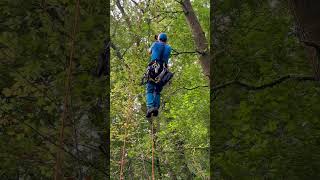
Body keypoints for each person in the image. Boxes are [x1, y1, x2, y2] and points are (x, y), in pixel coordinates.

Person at [146, 33, 172, 118]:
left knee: (150, 89)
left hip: (154, 68)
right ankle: (156, 108)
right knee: (157, 90)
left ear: (159, 39)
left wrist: (156, 42)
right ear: (166, 40)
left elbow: (149, 52)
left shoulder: (155, 44)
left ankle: (150, 107)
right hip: (163, 71)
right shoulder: (169, 48)